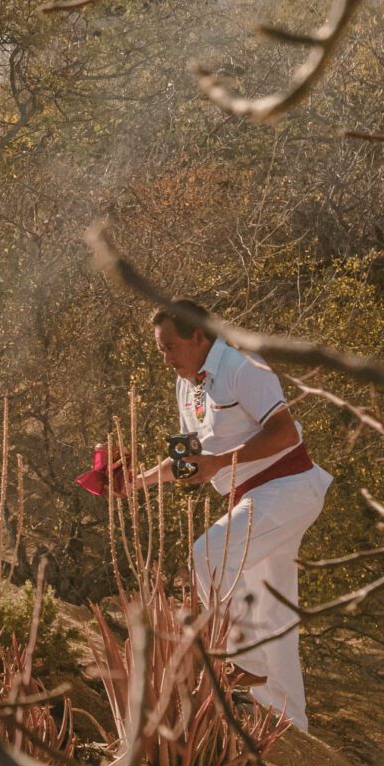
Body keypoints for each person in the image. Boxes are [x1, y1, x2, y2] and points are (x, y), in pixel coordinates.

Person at [130, 298, 330, 728]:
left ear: (198, 336)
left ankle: (244, 661)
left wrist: (221, 464)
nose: (164, 358)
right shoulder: (188, 385)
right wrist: (137, 481)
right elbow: (189, 458)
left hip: (291, 486)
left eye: (169, 347)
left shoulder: (243, 366)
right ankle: (290, 720)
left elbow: (286, 433)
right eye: (160, 349)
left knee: (208, 554)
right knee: (273, 610)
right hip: (252, 496)